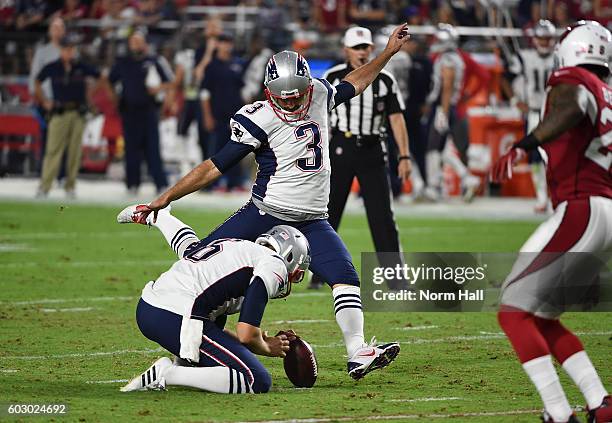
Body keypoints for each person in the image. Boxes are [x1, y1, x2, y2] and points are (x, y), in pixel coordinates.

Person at [132, 23, 411, 381]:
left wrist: (387, 52)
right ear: (269, 91)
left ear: (308, 86)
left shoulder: (322, 94)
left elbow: (356, 82)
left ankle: (357, 352)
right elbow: (214, 166)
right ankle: (192, 342)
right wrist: (166, 198)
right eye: (284, 97)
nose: (292, 101)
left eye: (297, 95)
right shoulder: (258, 118)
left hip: (312, 219)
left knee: (345, 276)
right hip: (263, 213)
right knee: (202, 260)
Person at [491, 20, 612, 423]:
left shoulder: (575, 81)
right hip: (601, 209)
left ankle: (559, 413)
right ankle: (600, 403)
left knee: (512, 311)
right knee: (541, 315)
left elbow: (572, 104)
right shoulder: (608, 91)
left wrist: (526, 143)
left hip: (582, 207)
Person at [116, 204, 310, 393]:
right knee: (255, 380)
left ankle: (183, 364)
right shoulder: (274, 264)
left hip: (151, 308)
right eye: (296, 274)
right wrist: (266, 347)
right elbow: (246, 333)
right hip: (177, 315)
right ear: (290, 257)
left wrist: (159, 217)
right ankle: (168, 374)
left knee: (216, 313)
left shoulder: (235, 246)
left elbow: (187, 244)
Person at [308, 26, 411, 290]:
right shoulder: (331, 77)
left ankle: (395, 277)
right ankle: (319, 273)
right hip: (340, 146)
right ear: (346, 50)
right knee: (328, 212)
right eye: (357, 47)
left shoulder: (386, 80)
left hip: (373, 148)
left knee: (382, 216)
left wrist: (405, 155)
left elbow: (396, 118)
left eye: (365, 47)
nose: (362, 52)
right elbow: (318, 119)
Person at [106, 30, 173, 196]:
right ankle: (132, 184)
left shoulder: (154, 60)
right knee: (131, 149)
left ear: (145, 43)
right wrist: (115, 99)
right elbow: (109, 81)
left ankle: (160, 184)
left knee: (153, 148)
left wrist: (157, 90)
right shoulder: (123, 62)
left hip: (149, 110)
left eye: (138, 41)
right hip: (129, 111)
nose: (135, 44)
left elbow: (170, 82)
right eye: (133, 41)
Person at [34, 34, 101, 198]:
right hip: (58, 112)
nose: (70, 52)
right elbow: (37, 81)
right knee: (53, 151)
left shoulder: (81, 66)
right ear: (61, 49)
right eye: (67, 49)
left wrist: (89, 95)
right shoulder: (52, 66)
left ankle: (70, 186)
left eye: (72, 49)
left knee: (74, 152)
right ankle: (45, 187)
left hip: (78, 113)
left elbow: (100, 77)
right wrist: (44, 101)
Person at [423, 23, 480, 202]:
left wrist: (443, 112)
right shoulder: (454, 57)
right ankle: (465, 178)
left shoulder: (448, 58)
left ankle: (435, 186)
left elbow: (447, 86)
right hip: (447, 106)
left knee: (433, 147)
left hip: (443, 106)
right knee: (440, 149)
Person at [506, 19, 557, 213]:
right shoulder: (524, 57)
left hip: (555, 114)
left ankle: (555, 195)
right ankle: (542, 197)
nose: (545, 43)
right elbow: (506, 78)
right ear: (535, 39)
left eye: (547, 39)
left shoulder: (559, 56)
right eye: (542, 39)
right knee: (535, 157)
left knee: (555, 157)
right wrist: (515, 101)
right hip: (535, 113)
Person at [200, 31, 246, 191]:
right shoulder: (212, 66)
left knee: (237, 150)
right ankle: (211, 184)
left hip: (235, 116)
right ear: (218, 44)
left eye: (228, 42)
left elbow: (241, 91)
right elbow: (204, 92)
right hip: (217, 116)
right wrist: (207, 116)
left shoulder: (237, 64)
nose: (226, 46)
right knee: (216, 151)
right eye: (223, 42)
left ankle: (234, 183)